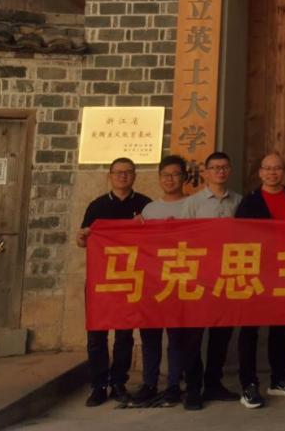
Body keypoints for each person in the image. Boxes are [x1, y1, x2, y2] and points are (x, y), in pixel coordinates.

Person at [77, 157, 152, 407]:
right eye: (118, 172)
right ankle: (99, 385)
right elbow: (82, 240)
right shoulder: (97, 206)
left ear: (135, 176)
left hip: (130, 279)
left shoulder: (145, 205)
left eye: (128, 172)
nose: (123, 176)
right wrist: (82, 237)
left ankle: (119, 382)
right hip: (101, 280)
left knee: (124, 335)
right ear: (110, 176)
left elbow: (155, 240)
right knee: (96, 334)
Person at [234, 152, 285, 409]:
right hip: (256, 272)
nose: (273, 172)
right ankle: (248, 384)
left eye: (277, 168)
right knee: (249, 329)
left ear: (283, 172)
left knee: (280, 328)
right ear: (260, 173)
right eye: (268, 168)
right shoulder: (250, 202)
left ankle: (278, 379)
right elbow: (238, 237)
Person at [177, 151, 243, 410]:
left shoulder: (239, 201)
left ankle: (214, 383)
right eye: (214, 167)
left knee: (221, 335)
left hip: (227, 277)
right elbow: (182, 239)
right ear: (205, 172)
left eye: (224, 167)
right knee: (193, 336)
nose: (220, 171)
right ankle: (193, 388)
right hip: (199, 278)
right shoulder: (192, 203)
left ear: (230, 170)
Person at [132, 154, 190, 408]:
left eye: (175, 174)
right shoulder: (150, 209)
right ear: (159, 179)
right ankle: (149, 383)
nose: (170, 179)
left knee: (177, 337)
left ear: (184, 177)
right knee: (150, 336)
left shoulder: (192, 206)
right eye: (165, 175)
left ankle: (175, 384)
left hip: (180, 278)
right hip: (153, 280)